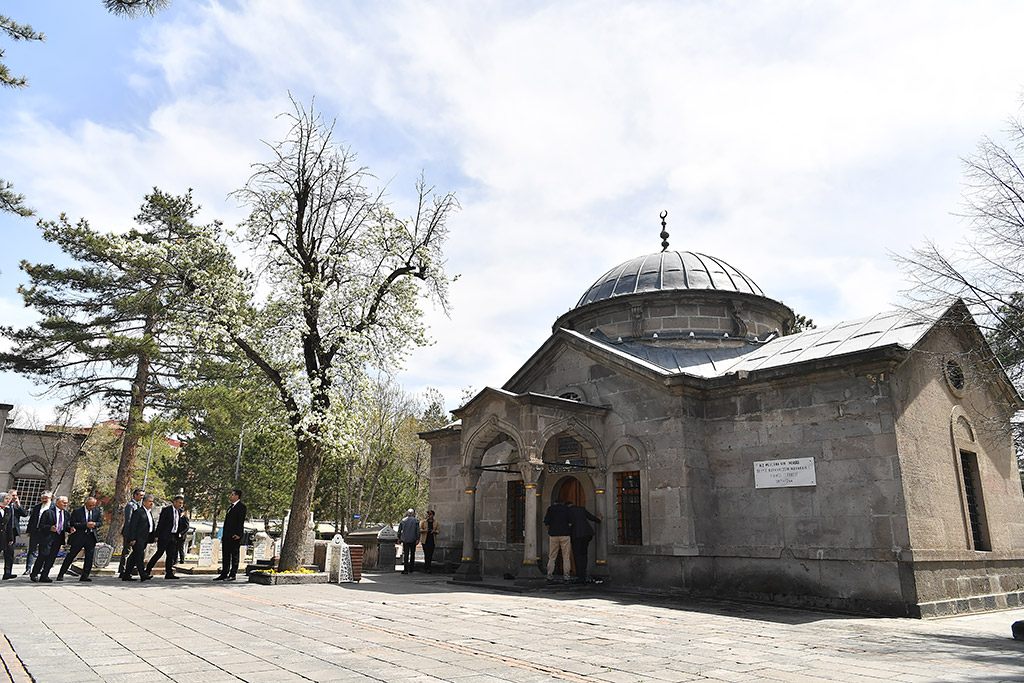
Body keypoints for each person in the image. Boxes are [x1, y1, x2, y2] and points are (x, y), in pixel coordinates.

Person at [57, 497, 103, 582]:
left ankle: (85, 576)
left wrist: (95, 524)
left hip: (91, 537)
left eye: (93, 505)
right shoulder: (77, 511)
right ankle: (61, 574)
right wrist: (85, 525)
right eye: (90, 505)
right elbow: (73, 523)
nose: (92, 507)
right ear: (85, 504)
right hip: (79, 537)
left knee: (89, 557)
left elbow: (100, 522)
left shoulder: (96, 511)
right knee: (71, 556)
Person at [146, 495, 187, 579]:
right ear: (174, 502)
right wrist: (157, 535)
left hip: (173, 536)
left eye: (182, 503)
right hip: (164, 536)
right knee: (159, 553)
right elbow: (161, 523)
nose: (180, 505)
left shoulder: (179, 512)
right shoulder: (166, 510)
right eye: (179, 503)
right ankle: (147, 570)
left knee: (171, 555)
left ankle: (169, 573)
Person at [32, 495, 70, 583]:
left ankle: (45, 575)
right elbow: (41, 525)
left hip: (58, 538)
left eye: (66, 503)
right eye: (63, 502)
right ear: (57, 502)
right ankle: (34, 573)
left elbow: (65, 526)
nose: (65, 504)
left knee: (52, 557)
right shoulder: (48, 512)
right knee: (43, 555)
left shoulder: (66, 514)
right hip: (46, 538)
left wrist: (70, 529)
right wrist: (49, 528)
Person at [123, 494, 156, 582]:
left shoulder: (149, 512)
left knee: (134, 557)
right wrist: (132, 538)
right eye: (149, 501)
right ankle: (143, 574)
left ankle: (126, 574)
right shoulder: (138, 512)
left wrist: (153, 537)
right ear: (144, 502)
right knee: (139, 556)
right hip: (138, 538)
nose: (151, 503)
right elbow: (133, 526)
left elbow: (151, 525)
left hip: (145, 538)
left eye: (152, 502)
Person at [215, 489, 246, 581]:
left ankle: (233, 574)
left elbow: (240, 521)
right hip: (227, 534)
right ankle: (224, 573)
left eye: (232, 495)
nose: (230, 496)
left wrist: (238, 534)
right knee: (226, 554)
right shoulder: (230, 507)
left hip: (234, 535)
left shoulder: (241, 507)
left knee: (234, 555)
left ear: (237, 496)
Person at [567, 503, 602, 583]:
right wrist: (598, 520)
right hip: (587, 534)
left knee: (577, 555)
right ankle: (583, 573)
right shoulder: (581, 509)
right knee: (584, 554)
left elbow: (570, 523)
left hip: (576, 535)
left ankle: (580, 576)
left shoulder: (568, 510)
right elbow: (590, 517)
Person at [543, 498, 572, 583]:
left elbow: (547, 522)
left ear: (555, 503)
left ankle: (549, 576)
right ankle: (566, 577)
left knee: (552, 557)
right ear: (562, 503)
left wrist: (550, 530)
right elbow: (570, 523)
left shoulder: (550, 509)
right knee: (566, 557)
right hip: (565, 535)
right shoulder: (566, 509)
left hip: (553, 535)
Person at [118, 488, 145, 579]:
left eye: (143, 496)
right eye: (140, 495)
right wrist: (130, 534)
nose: (142, 497)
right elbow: (129, 520)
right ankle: (123, 571)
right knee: (126, 551)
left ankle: (128, 571)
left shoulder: (138, 505)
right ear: (135, 495)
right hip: (129, 532)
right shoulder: (130, 505)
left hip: (136, 533)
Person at [23, 491, 51, 576]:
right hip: (35, 531)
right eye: (42, 498)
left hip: (46, 533)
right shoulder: (37, 507)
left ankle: (40, 567)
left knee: (43, 552)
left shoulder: (53, 507)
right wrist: (28, 531)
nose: (44, 500)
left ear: (50, 498)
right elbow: (32, 519)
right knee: (31, 550)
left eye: (45, 498)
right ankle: (28, 568)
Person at [0, 490, 26, 579]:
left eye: (15, 495)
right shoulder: (3, 508)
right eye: (12, 495)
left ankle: (7, 572)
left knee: (9, 553)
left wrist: (18, 505)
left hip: (11, 533)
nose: (14, 497)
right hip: (2, 533)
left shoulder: (13, 506)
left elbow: (25, 514)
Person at [397, 509, 419, 574]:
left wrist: (399, 538)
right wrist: (418, 539)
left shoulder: (403, 520)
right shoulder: (416, 521)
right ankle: (411, 569)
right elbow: (418, 531)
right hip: (413, 539)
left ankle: (405, 569)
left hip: (405, 539)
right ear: (413, 513)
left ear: (407, 513)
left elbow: (399, 530)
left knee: (406, 554)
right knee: (412, 554)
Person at [418, 510, 440, 574]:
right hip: (425, 540)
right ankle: (426, 567)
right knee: (426, 554)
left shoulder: (436, 523)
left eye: (430, 514)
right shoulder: (423, 522)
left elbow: (438, 531)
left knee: (430, 554)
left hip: (432, 540)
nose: (429, 516)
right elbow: (420, 529)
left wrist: (434, 531)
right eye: (428, 514)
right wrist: (425, 530)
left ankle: (429, 567)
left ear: (433, 515)